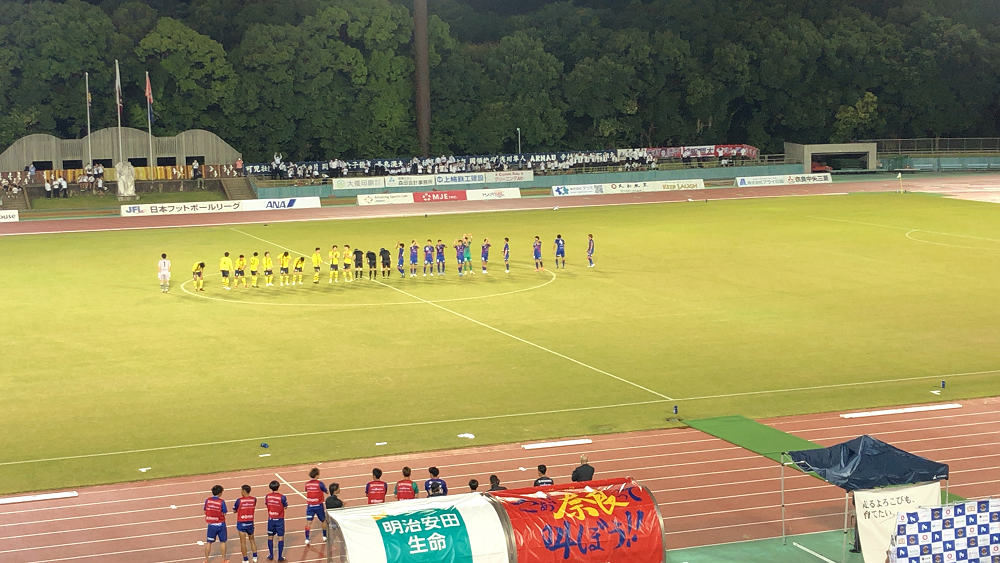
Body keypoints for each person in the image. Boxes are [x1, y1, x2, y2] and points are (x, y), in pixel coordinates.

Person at [233, 484, 259, 563]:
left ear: (244, 491)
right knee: (252, 540)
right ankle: (255, 557)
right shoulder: (254, 499)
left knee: (243, 542)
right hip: (250, 522)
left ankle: (245, 560)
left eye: (241, 490)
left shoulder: (239, 500)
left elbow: (234, 510)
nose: (240, 492)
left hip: (241, 523)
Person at [203, 484, 229, 563]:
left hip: (211, 525)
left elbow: (205, 511)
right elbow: (224, 513)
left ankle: (206, 560)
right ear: (220, 493)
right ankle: (223, 560)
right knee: (223, 542)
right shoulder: (221, 502)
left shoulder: (208, 500)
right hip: (221, 524)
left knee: (209, 542)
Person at [303, 467, 328, 545]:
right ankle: (324, 536)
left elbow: (306, 490)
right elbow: (326, 491)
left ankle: (307, 539)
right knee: (323, 521)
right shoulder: (320, 484)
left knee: (308, 522)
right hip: (319, 505)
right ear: (317, 475)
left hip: (310, 506)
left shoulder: (307, 484)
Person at [264, 480, 288, 561]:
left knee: (270, 537)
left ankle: (271, 555)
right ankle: (280, 557)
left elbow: (267, 504)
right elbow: (285, 506)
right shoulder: (282, 497)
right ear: (278, 486)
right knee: (280, 538)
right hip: (279, 520)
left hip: (271, 520)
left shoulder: (267, 496)